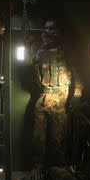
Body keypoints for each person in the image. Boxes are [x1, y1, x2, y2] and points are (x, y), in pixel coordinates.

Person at [30, 19, 82, 171]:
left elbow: (78, 77)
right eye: (45, 29)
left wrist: (76, 96)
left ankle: (58, 172)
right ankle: (38, 170)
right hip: (42, 99)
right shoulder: (39, 52)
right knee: (38, 140)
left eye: (52, 29)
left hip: (61, 102)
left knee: (57, 140)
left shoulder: (67, 53)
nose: (48, 32)